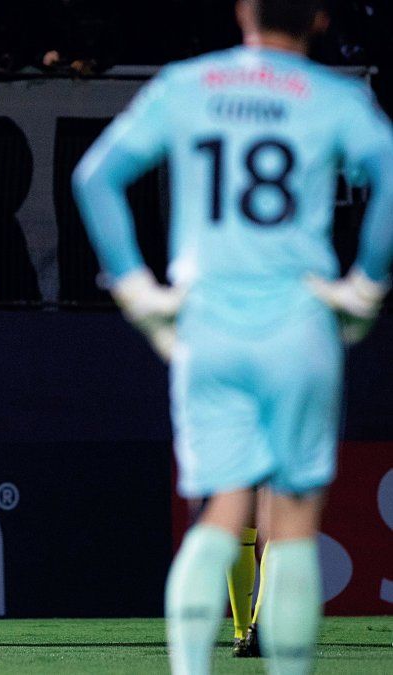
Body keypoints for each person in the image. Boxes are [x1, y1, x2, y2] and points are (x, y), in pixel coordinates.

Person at [72, 1, 393, 673]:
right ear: (321, 18)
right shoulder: (334, 96)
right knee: (295, 519)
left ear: (242, 9)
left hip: (206, 320)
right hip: (298, 321)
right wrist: (365, 284)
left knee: (219, 512)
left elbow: (94, 177)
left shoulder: (185, 85)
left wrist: (138, 290)